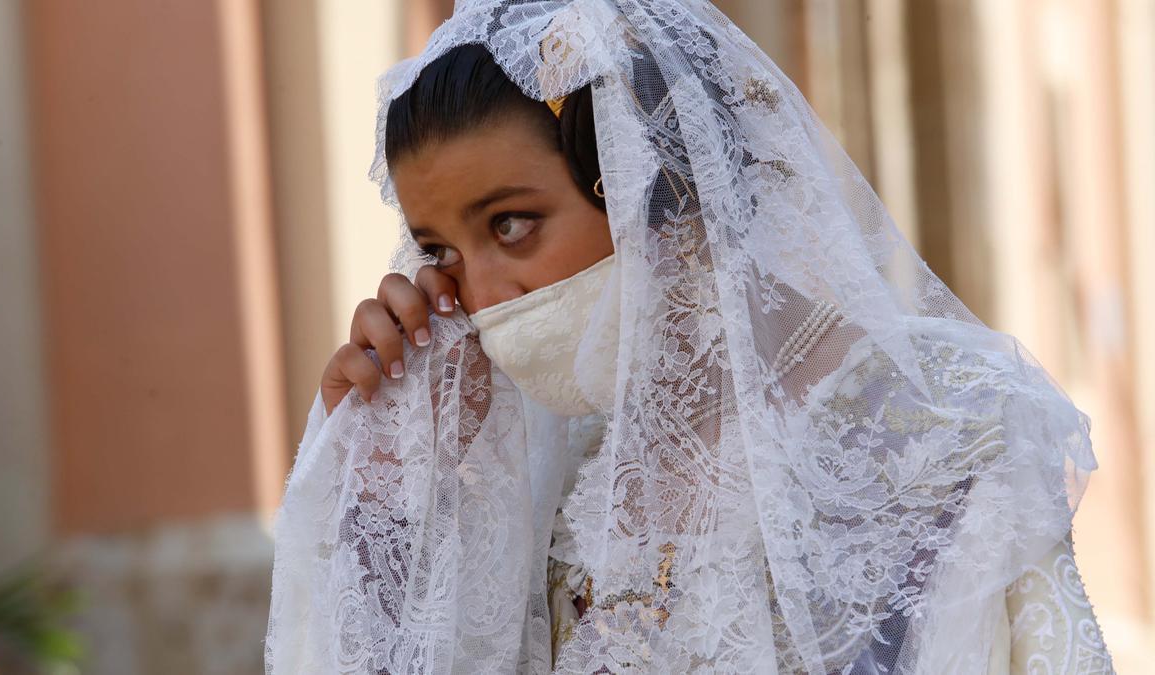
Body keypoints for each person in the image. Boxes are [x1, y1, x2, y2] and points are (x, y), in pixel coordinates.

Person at [265, 1, 1114, 672]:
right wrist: (383, 503)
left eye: (513, 224)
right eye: (442, 252)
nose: (480, 296)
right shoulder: (549, 488)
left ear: (653, 181)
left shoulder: (947, 429)